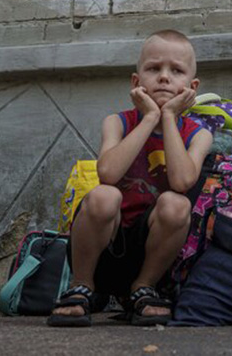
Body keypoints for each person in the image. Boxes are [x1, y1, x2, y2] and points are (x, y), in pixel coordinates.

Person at [48, 29, 211, 327]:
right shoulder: (118, 121)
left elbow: (182, 182)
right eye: (153, 68)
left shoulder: (199, 134)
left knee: (177, 204)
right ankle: (80, 287)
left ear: (191, 87)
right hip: (101, 249)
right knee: (104, 194)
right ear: (136, 82)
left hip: (149, 256)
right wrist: (149, 118)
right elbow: (107, 174)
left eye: (176, 71)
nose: (164, 77)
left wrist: (169, 118)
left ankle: (143, 288)